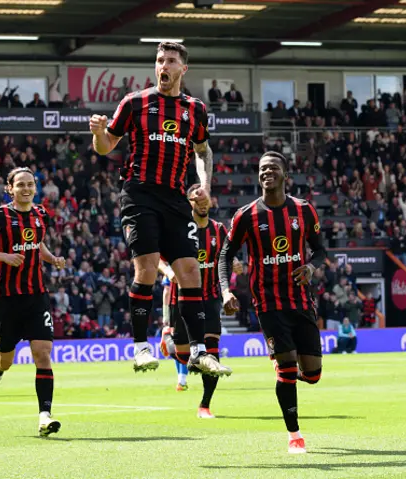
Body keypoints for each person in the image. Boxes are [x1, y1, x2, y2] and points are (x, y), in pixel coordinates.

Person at [89, 41, 229, 377]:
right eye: (158, 60)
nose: (162, 66)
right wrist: (97, 134)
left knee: (190, 272)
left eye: (169, 61)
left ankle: (198, 352)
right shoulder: (135, 103)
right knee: (148, 269)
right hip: (139, 195)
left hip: (176, 198)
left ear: (183, 69)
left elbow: (203, 151)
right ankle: (139, 348)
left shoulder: (195, 109)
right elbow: (106, 145)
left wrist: (205, 186)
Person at [218, 151, 327, 454]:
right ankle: (294, 434)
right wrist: (226, 290)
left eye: (273, 168)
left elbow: (319, 250)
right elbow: (225, 256)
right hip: (267, 302)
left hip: (301, 301)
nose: (267, 172)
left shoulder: (304, 211)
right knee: (287, 367)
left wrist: (311, 267)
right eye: (263, 168)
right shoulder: (246, 215)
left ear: (284, 174)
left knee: (313, 375)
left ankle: (288, 370)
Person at [0, 167, 66, 436]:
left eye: (30, 184)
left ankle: (44, 416)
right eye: (20, 184)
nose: (26, 189)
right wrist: (3, 257)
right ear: (9, 189)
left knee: (43, 354)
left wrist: (52, 259)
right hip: (7, 299)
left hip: (36, 296)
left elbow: (39, 245)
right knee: (6, 360)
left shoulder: (41, 214)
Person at [159, 184, 240, 418]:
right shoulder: (178, 229)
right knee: (185, 356)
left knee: (212, 356)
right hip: (183, 299)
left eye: (206, 200)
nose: (203, 204)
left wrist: (234, 264)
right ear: (189, 203)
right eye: (197, 200)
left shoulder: (219, 230)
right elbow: (157, 258)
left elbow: (227, 256)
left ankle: (205, 405)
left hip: (211, 299)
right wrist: (168, 272)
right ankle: (169, 342)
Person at [160, 274, 188, 391]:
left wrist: (166, 315)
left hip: (173, 309)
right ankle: (181, 380)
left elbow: (166, 292)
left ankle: (180, 379)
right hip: (188, 306)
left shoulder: (169, 269)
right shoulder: (189, 265)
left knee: (176, 342)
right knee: (185, 344)